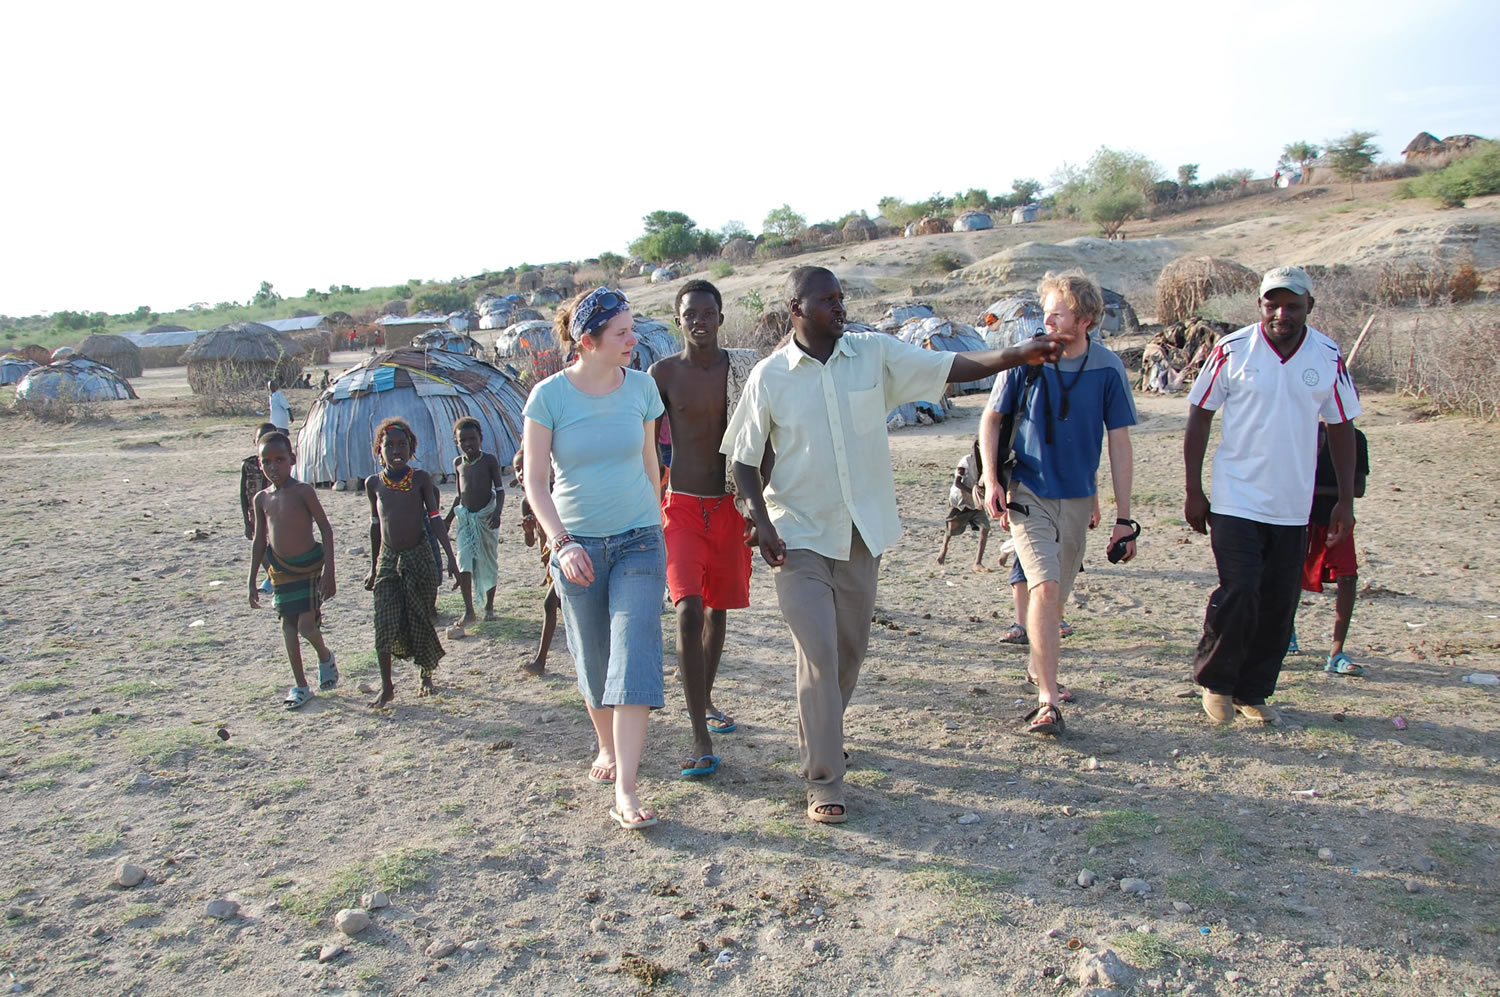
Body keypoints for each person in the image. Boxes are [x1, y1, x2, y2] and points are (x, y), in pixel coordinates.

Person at [725, 266, 1060, 823]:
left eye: (841, 298)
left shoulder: (874, 356)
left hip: (861, 534)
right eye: (826, 300)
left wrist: (1018, 354)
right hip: (799, 536)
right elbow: (741, 458)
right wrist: (760, 521)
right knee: (818, 653)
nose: (839, 307)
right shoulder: (770, 376)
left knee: (849, 654)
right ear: (795, 309)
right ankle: (824, 779)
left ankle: (825, 735)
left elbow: (952, 366)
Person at [1185, 265, 1361, 726]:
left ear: (1309, 308)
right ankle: (1217, 683)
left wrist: (1345, 500)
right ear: (1260, 304)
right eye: (1272, 303)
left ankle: (1253, 690)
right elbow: (1199, 414)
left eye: (1293, 305)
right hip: (1235, 497)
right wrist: (1193, 490)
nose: (1281, 313)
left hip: (1293, 504)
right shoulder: (1232, 349)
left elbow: (1341, 426)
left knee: (1279, 600)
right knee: (1239, 589)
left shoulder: (1326, 354)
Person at [523, 286, 667, 831]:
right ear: (587, 341)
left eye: (633, 329)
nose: (634, 340)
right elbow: (535, 482)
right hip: (575, 544)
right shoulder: (549, 397)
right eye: (622, 333)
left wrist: (658, 527)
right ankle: (606, 746)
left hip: (638, 540)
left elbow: (652, 463)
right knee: (594, 657)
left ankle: (627, 790)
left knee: (634, 653)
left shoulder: (644, 389)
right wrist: (562, 545)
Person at [979, 270, 1138, 735]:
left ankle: (1037, 663)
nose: (1047, 320)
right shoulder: (1023, 360)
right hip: (1027, 491)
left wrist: (1122, 516)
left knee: (1056, 595)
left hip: (1077, 497)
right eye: (1045, 311)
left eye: (1058, 312)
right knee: (1044, 586)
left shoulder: (1108, 368)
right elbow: (991, 420)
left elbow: (1120, 444)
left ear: (1085, 319)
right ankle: (1048, 698)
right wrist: (991, 479)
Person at [649, 279, 767, 779]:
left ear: (720, 317)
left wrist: (759, 506)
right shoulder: (663, 374)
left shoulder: (745, 371)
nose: (698, 320)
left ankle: (708, 698)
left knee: (718, 609)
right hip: (680, 508)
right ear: (678, 320)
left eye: (707, 312)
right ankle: (698, 731)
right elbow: (643, 438)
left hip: (729, 507)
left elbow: (768, 434)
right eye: (689, 313)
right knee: (688, 609)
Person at [364, 418, 458, 707]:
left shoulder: (419, 480)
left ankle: (425, 674)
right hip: (389, 560)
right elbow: (375, 526)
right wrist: (372, 567)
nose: (396, 450)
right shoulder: (373, 484)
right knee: (384, 620)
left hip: (419, 557)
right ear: (378, 450)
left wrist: (450, 560)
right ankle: (387, 685)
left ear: (411, 448)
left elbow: (435, 521)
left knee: (420, 617)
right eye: (389, 445)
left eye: (402, 444)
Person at [247, 432, 337, 709]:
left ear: (292, 460)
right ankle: (300, 685)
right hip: (281, 571)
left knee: (306, 626)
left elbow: (325, 528)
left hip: (308, 567)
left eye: (280, 460)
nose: (273, 467)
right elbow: (259, 540)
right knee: (288, 627)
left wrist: (330, 572)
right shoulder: (261, 499)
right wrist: (252, 579)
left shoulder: (303, 492)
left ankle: (324, 656)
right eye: (266, 462)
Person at [1299, 421, 1370, 675]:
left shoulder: (1355, 438)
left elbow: (1358, 488)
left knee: (1348, 577)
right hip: (1299, 516)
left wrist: (1315, 491)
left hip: (1336, 518)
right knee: (1288, 574)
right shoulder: (1303, 432)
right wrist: (1340, 491)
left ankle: (1336, 652)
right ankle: (1286, 635)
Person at [997, 490, 1100, 653]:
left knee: (1060, 564)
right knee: (1023, 565)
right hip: (1029, 499)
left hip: (1068, 500)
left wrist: (1093, 504)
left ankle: (1055, 618)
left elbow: (1090, 466)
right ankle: (1022, 624)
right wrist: (1006, 504)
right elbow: (1011, 466)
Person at [444, 416, 505, 626]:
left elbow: (500, 490)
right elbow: (459, 496)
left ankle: (488, 606)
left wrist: (497, 512)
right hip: (466, 521)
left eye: (472, 439)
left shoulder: (489, 461)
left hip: (486, 519)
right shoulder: (458, 463)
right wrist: (448, 519)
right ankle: (469, 610)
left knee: (488, 562)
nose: (468, 444)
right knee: (464, 561)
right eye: (463, 441)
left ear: (481, 438)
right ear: (456, 442)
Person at [513, 444, 559, 677]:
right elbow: (531, 543)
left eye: (525, 467)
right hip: (551, 563)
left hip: (565, 558)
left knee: (550, 604)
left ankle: (540, 661)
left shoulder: (555, 491)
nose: (522, 473)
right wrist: (529, 530)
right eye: (517, 470)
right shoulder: (526, 502)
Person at [936, 440, 991, 571]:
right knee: (952, 526)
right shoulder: (966, 462)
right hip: (961, 500)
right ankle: (943, 549)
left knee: (985, 527)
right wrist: (973, 491)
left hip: (976, 502)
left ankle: (977, 563)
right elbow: (957, 483)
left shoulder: (987, 463)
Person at [240, 422, 279, 541]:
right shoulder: (248, 465)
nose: (265, 443)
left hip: (276, 513)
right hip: (254, 515)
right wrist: (246, 521)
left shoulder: (280, 464)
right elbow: (243, 493)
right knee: (260, 546)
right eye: (261, 439)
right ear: (254, 442)